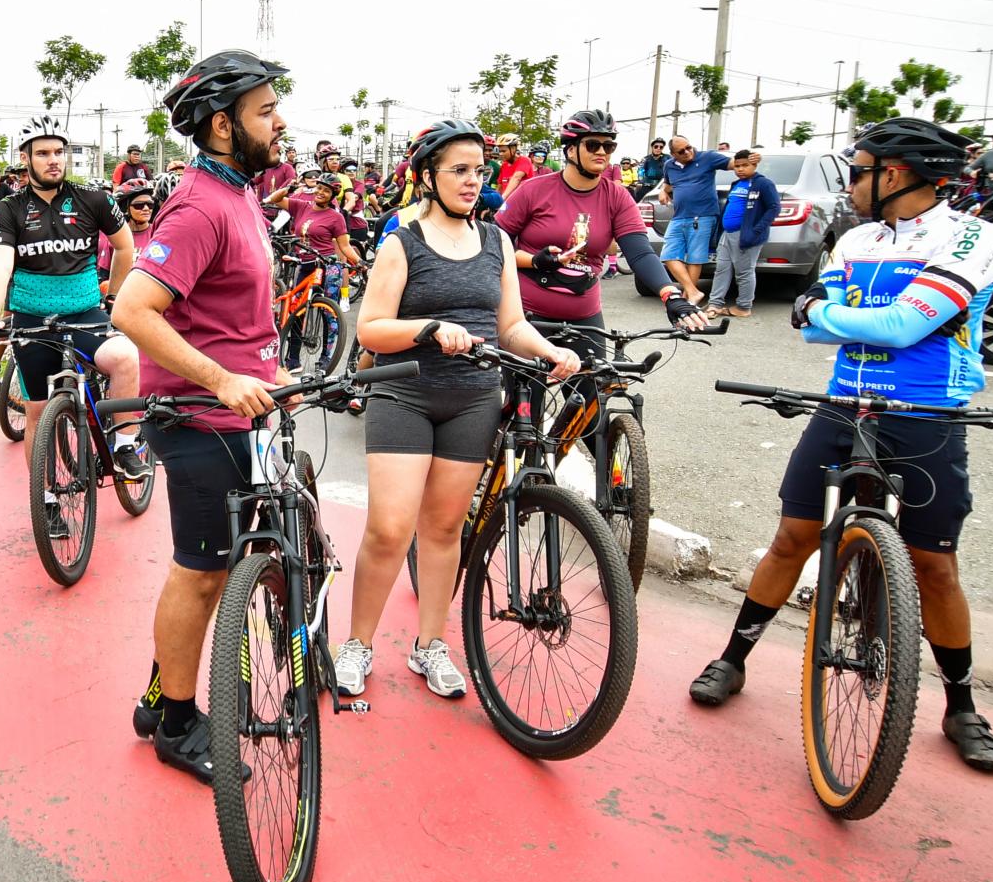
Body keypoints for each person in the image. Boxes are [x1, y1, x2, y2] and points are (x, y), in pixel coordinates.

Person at [688, 117, 993, 774]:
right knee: (791, 537)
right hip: (842, 406)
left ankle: (962, 704)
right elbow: (817, 320)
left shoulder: (970, 236)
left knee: (935, 565)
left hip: (927, 414)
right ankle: (734, 656)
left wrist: (829, 315)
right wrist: (833, 317)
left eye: (859, 170)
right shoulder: (858, 238)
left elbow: (893, 325)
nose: (852, 183)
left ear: (895, 174)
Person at [334, 120, 580, 698]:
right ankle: (358, 644)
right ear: (427, 177)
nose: (474, 181)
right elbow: (371, 329)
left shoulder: (496, 242)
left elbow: (511, 325)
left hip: (473, 398)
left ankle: (429, 647)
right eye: (460, 171)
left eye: (480, 171)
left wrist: (552, 350)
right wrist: (430, 328)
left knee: (444, 529)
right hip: (405, 393)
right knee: (391, 529)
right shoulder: (402, 241)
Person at [111, 49, 293, 784]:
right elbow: (133, 306)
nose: (279, 121)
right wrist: (221, 379)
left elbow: (228, 312)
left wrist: (271, 372)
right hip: (197, 419)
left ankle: (161, 694)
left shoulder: (240, 191)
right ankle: (179, 723)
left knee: (213, 574)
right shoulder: (198, 204)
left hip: (241, 414)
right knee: (200, 573)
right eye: (265, 110)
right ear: (223, 125)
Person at [0, 114, 146, 533]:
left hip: (86, 312)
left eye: (59, 152)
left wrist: (113, 298)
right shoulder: (9, 208)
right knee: (36, 413)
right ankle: (47, 495)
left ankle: (125, 444)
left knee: (125, 358)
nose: (53, 160)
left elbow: (125, 248)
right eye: (43, 153)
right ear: (25, 158)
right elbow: (0, 266)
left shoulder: (93, 198)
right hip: (32, 319)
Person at [497, 111, 705, 345]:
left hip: (584, 315)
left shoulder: (617, 196)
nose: (601, 152)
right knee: (531, 382)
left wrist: (670, 295)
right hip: (527, 314)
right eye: (593, 145)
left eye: (608, 146)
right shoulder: (533, 190)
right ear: (571, 149)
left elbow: (640, 253)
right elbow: (494, 245)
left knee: (595, 381)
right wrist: (535, 260)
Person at [263, 171, 362, 368]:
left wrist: (360, 263)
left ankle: (326, 357)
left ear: (333, 196)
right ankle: (293, 359)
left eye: (326, 191)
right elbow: (273, 199)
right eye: (319, 188)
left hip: (327, 267)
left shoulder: (336, 217)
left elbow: (344, 246)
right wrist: (291, 187)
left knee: (328, 313)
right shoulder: (301, 206)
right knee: (298, 311)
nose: (321, 193)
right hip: (304, 264)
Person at [656, 135, 732, 305]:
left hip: (703, 215)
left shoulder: (708, 157)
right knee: (668, 255)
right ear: (673, 154)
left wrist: (751, 160)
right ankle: (692, 291)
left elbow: (735, 164)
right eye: (681, 151)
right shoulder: (670, 166)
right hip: (679, 216)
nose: (687, 152)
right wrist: (663, 190)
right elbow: (668, 183)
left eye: (689, 147)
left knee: (695, 257)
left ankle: (688, 296)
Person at [705, 149, 779, 318]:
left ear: (754, 164)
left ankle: (744, 307)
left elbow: (774, 208)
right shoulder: (736, 184)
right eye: (737, 166)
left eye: (745, 165)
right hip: (727, 234)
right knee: (721, 269)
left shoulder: (763, 184)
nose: (740, 169)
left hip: (745, 236)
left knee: (744, 272)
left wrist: (755, 231)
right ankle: (715, 304)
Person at [99, 177, 156, 299]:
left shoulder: (159, 234)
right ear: (126, 208)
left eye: (150, 204)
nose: (146, 208)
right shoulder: (116, 237)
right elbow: (103, 278)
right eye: (139, 205)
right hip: (123, 301)